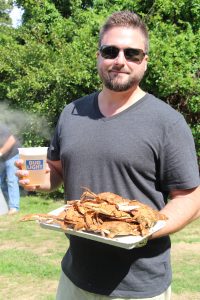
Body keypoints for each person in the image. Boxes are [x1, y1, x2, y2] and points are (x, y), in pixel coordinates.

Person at [16, 10, 200, 300]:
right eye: (111, 51)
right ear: (98, 56)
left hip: (139, 285)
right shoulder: (72, 113)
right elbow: (58, 171)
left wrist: (143, 230)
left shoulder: (168, 123)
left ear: (145, 61)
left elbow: (190, 198)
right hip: (75, 276)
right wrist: (39, 179)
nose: (120, 60)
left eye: (132, 53)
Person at [0, 123, 21, 214]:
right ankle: (6, 206)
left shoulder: (1, 127)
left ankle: (14, 207)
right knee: (1, 182)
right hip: (2, 158)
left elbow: (11, 140)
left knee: (12, 180)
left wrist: (0, 153)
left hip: (12, 155)